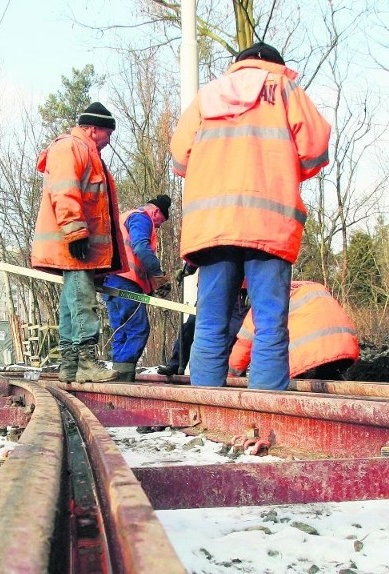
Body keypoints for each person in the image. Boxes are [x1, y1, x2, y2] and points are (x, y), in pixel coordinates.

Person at [170, 42, 331, 390]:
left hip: (212, 227)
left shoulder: (206, 95)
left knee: (211, 321)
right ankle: (267, 408)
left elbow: (180, 159)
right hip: (268, 225)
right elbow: (315, 150)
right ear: (276, 65)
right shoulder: (286, 90)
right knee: (270, 321)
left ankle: (207, 410)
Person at [31, 102, 127, 384]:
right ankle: (86, 363)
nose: (109, 142)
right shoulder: (72, 147)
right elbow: (65, 190)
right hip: (74, 243)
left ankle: (70, 365)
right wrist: (75, 231)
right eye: (108, 134)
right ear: (95, 129)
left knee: (73, 302)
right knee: (83, 302)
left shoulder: (82, 150)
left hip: (77, 243)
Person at [102, 195, 172, 382]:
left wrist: (149, 287)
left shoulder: (124, 217)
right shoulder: (142, 218)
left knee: (121, 330)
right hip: (125, 281)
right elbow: (141, 248)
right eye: (160, 222)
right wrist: (158, 276)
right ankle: (124, 377)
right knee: (138, 329)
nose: (157, 227)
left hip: (111, 280)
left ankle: (118, 376)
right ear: (156, 212)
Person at [229, 281, 360, 380]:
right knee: (327, 382)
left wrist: (232, 375)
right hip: (346, 347)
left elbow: (244, 345)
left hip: (308, 355)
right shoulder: (311, 286)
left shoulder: (266, 299)